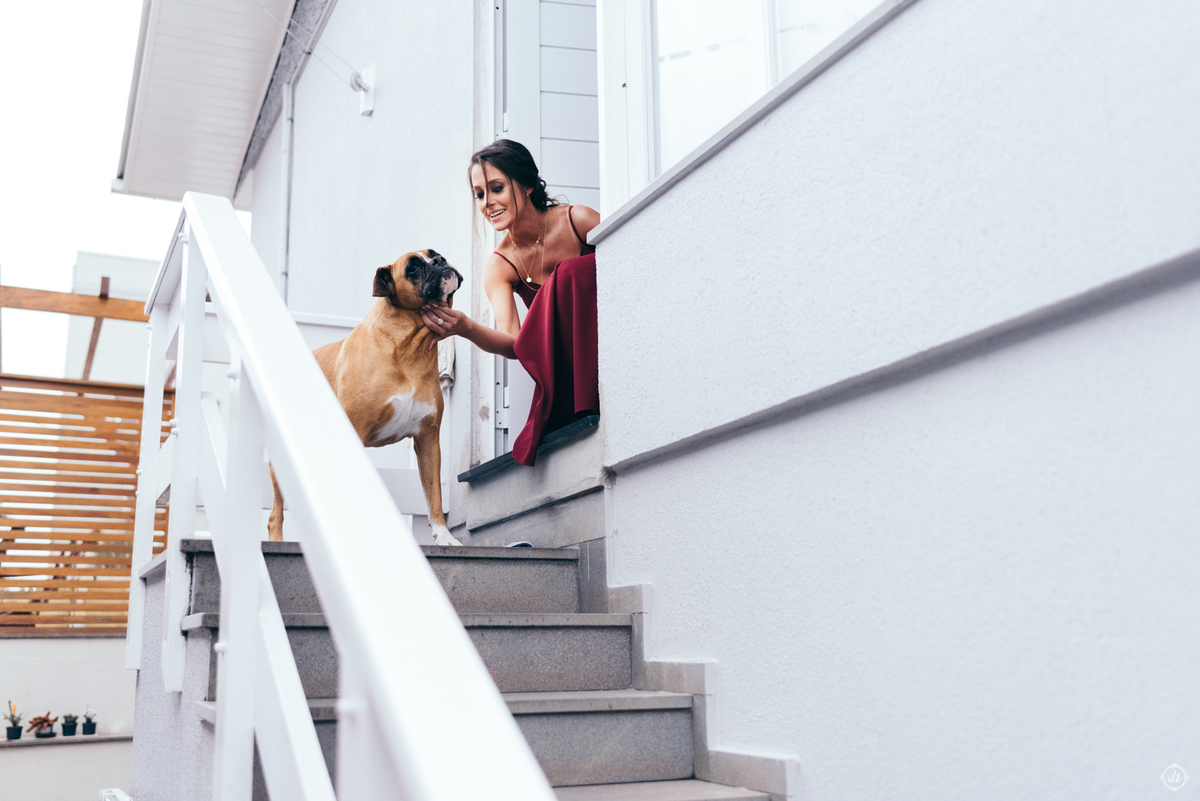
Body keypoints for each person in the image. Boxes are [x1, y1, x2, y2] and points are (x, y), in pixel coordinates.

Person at [419, 139, 600, 466]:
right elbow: (517, 342)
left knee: (572, 272)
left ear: (527, 184)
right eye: (479, 194)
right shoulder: (500, 265)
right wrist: (465, 327)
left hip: (607, 346)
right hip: (567, 373)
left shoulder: (579, 220)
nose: (487, 202)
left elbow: (631, 264)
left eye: (496, 188)